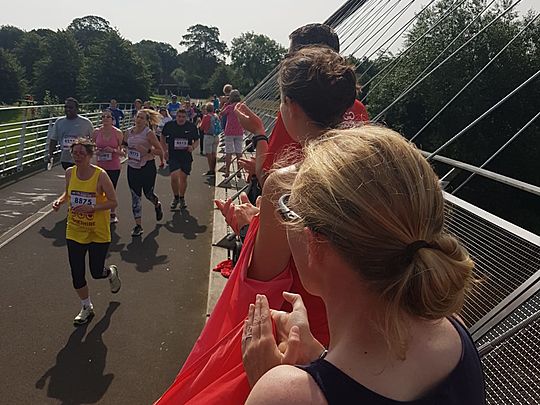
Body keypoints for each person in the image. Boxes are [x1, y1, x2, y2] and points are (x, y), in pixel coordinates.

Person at [156, 46, 357, 404]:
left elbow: (265, 279)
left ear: (291, 108)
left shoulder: (289, 184)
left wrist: (252, 228)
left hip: (302, 334)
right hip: (365, 331)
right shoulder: (374, 171)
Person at [242, 127, 485, 404]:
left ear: (315, 244)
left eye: (288, 210)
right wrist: (318, 360)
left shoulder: (285, 395)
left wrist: (267, 381)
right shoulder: (454, 331)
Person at [52, 138, 121, 325]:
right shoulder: (69, 172)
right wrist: (59, 201)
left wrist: (93, 208)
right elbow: (68, 193)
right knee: (77, 273)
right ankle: (86, 307)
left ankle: (110, 272)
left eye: (82, 153)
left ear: (90, 155)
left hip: (97, 232)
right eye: (75, 153)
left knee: (96, 272)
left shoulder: (100, 175)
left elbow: (113, 202)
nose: (77, 156)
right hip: (74, 229)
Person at [124, 109, 164, 237]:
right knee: (135, 197)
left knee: (148, 194)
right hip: (132, 167)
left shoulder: (149, 134)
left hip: (147, 167)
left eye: (142, 118)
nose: (139, 120)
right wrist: (126, 150)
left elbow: (159, 151)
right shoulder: (128, 132)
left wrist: (146, 150)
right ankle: (138, 226)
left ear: (147, 121)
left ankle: (157, 204)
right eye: (138, 117)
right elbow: (124, 145)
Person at [160, 109, 199, 210]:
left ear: (186, 117)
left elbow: (197, 140)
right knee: (174, 176)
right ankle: (176, 197)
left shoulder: (191, 126)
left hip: (186, 156)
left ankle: (182, 198)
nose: (181, 119)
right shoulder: (169, 125)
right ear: (176, 116)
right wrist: (164, 150)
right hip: (173, 155)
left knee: (183, 178)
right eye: (179, 116)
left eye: (183, 117)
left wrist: (193, 147)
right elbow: (163, 136)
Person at [91, 109, 124, 223]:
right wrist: (97, 151)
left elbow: (123, 152)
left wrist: (113, 150)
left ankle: (112, 213)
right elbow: (92, 147)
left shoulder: (118, 133)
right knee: (98, 189)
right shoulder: (96, 132)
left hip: (114, 166)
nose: (105, 118)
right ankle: (100, 211)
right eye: (103, 116)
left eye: (108, 117)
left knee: (111, 189)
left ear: (112, 119)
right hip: (100, 166)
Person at [48, 97, 94, 170]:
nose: (68, 109)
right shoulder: (59, 122)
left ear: (77, 109)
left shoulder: (86, 123)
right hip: (65, 158)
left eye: (71, 107)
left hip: (82, 158)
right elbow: (53, 139)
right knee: (70, 179)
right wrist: (50, 154)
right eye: (66, 107)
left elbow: (93, 139)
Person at [219, 89, 244, 177]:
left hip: (229, 131)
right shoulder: (242, 106)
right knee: (239, 152)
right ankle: (239, 171)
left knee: (228, 152)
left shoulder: (229, 107)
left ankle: (227, 172)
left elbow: (221, 113)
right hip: (239, 131)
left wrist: (224, 103)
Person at [199, 103, 220, 176]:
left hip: (208, 136)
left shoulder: (206, 117)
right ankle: (213, 169)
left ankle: (211, 170)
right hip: (216, 136)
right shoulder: (216, 116)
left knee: (209, 154)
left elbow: (201, 128)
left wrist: (199, 123)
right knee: (214, 154)